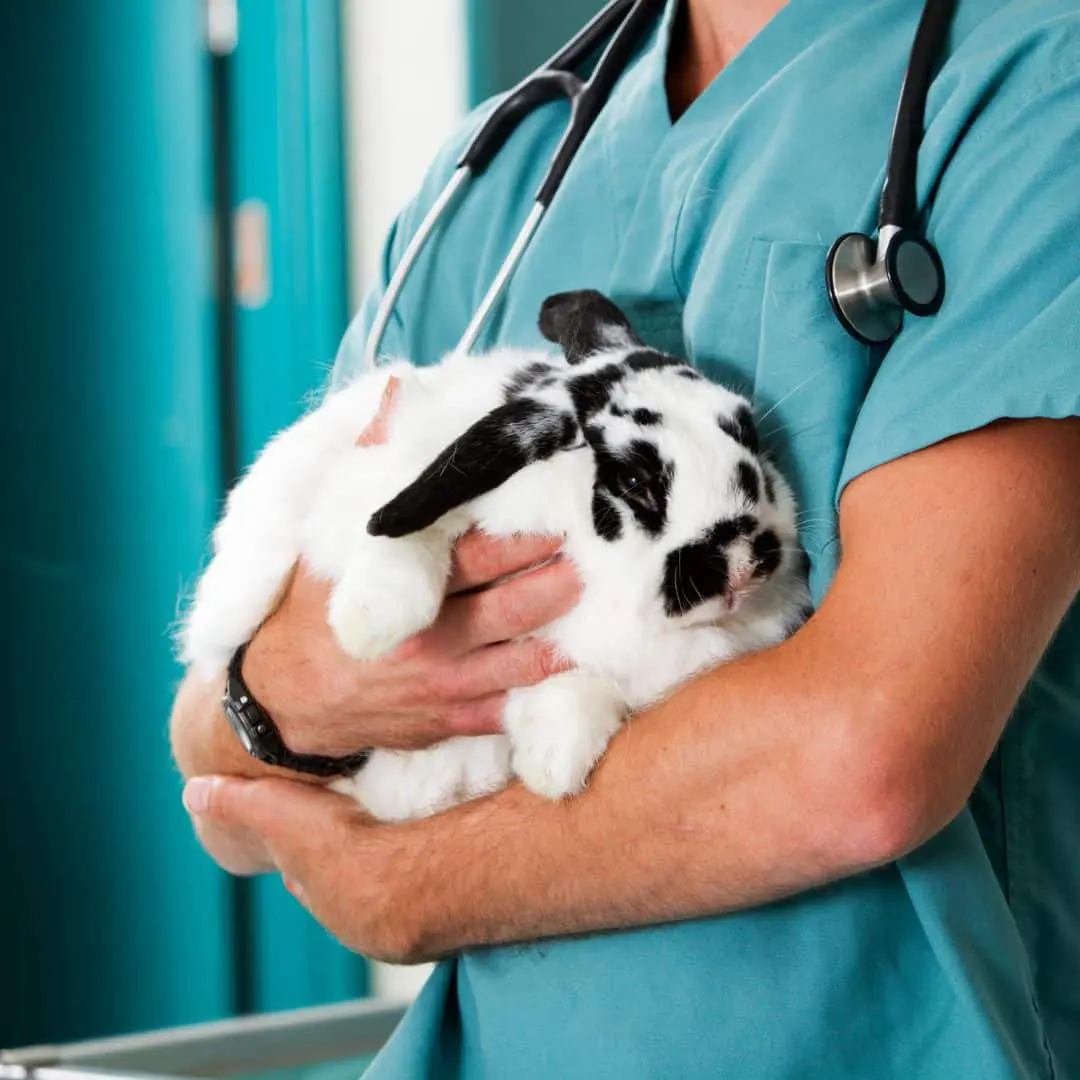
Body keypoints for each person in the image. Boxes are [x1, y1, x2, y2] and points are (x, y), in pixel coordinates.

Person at [170, 0, 1080, 1076]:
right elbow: (213, 781)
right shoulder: (496, 172)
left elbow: (865, 754)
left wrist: (403, 887)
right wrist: (285, 691)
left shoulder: (1029, 83)